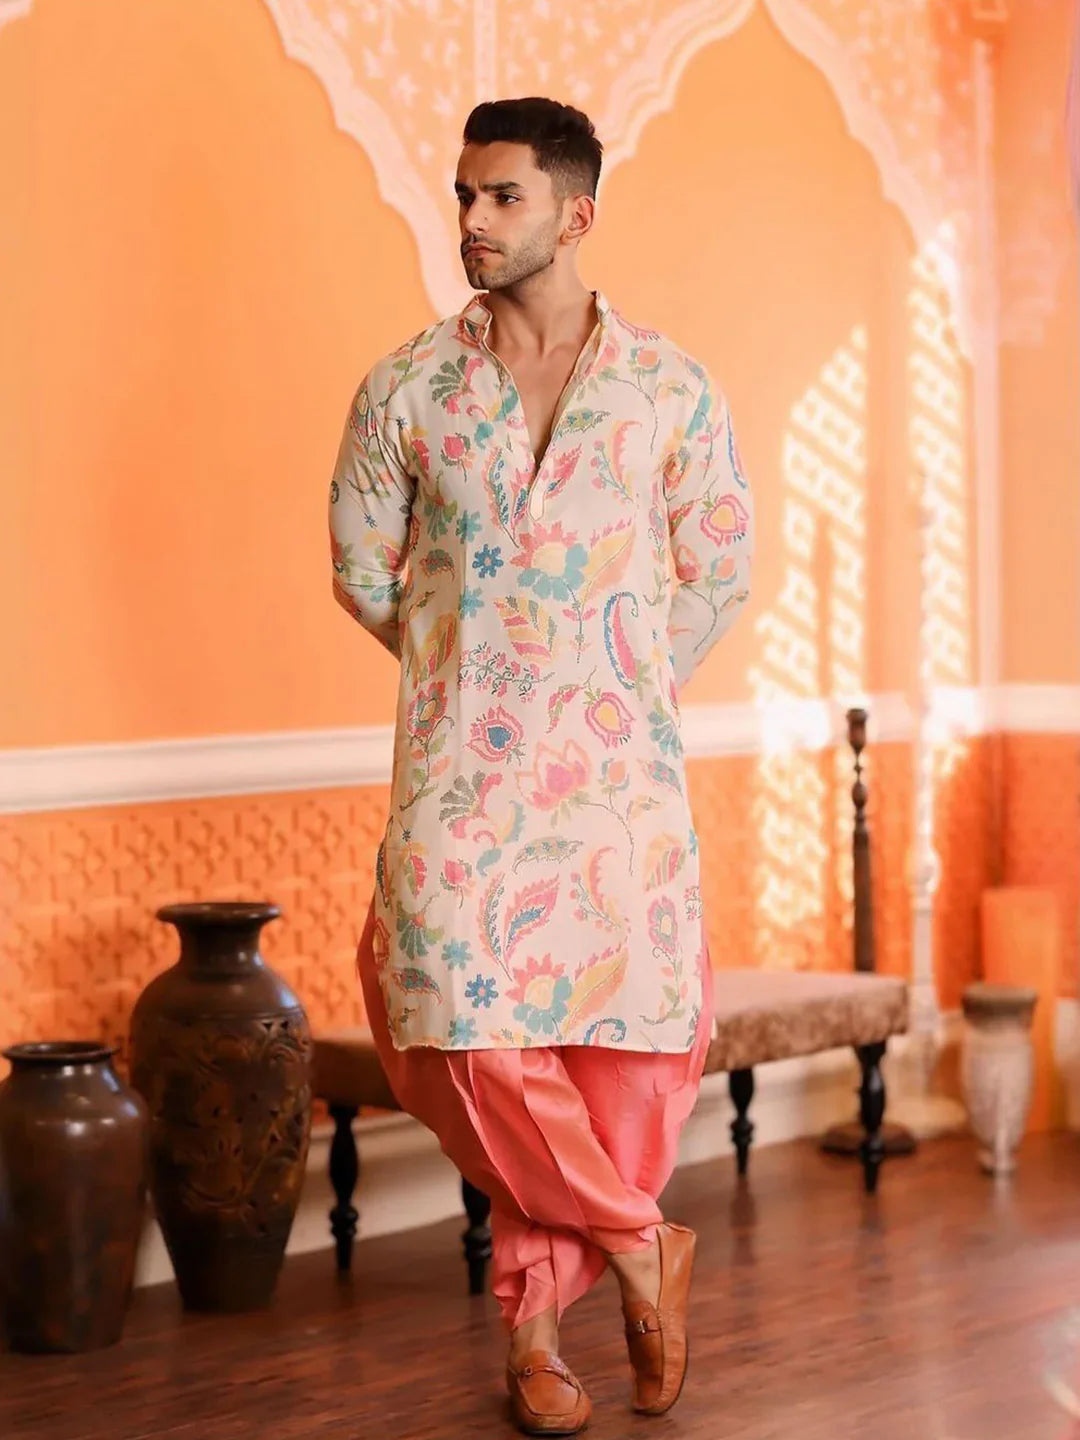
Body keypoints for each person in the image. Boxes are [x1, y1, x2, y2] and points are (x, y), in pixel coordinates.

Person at [329, 96, 753, 1435]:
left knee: (605, 1058)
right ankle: (641, 1243)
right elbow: (361, 569)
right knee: (457, 1023)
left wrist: (609, 687)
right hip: (461, 776)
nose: (471, 217)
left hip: (618, 788)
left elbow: (719, 564)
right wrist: (480, 668)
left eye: (501, 195)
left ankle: (535, 1344)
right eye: (464, 192)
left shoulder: (669, 387)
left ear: (576, 214)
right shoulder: (407, 388)